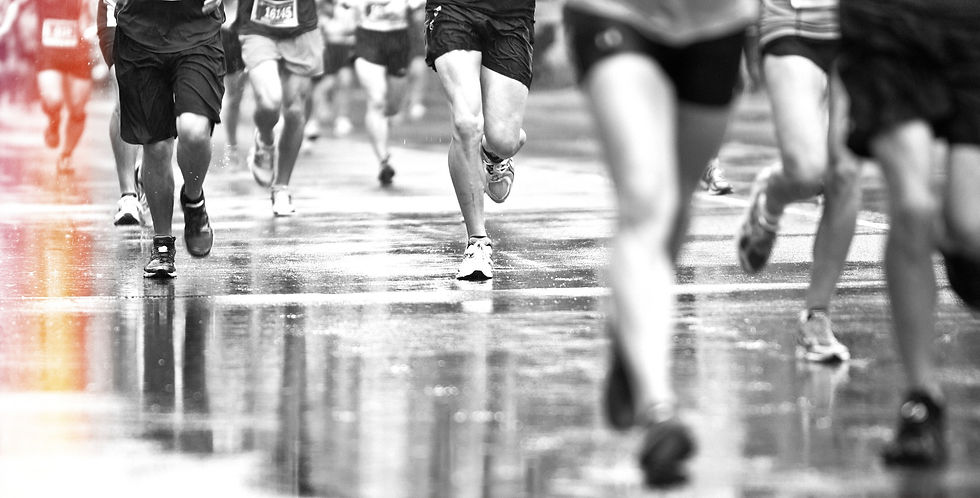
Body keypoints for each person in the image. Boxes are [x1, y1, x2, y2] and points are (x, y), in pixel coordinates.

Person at [563, 0, 756, 486]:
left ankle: (630, 336)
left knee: (675, 203)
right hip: (616, 12)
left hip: (716, 21)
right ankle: (658, 409)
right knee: (646, 199)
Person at [837, 0, 980, 467]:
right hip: (885, 20)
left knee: (968, 222)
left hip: (969, 22)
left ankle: (960, 246)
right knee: (913, 206)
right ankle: (922, 399)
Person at [736, 0, 858, 363]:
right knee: (807, 170)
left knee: (844, 173)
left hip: (861, 27)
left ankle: (816, 315)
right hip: (793, 21)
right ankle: (770, 199)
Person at [424, 0, 534, 280]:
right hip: (453, 7)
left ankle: (494, 153)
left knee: (504, 140)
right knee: (466, 123)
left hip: (511, 12)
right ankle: (478, 243)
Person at [115, 0, 224, 278]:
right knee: (157, 144)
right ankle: (162, 244)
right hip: (140, 34)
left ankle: (194, 199)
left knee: (194, 130)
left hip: (197, 30)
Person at [240, 0, 323, 216]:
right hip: (258, 25)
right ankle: (265, 141)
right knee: (270, 101)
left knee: (295, 111)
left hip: (301, 26)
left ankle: (281, 187)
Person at [351, 0, 422, 186]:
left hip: (398, 40)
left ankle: (384, 134)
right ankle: (384, 160)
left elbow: (419, 12)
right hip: (368, 38)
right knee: (377, 100)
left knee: (393, 107)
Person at [28, 0, 95, 174]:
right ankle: (54, 121)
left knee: (78, 109)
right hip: (49, 53)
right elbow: (18, 6)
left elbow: (91, 16)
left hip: (78, 54)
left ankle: (66, 155)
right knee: (53, 100)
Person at [97, 0, 145, 226]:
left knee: (161, 97)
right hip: (117, 14)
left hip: (163, 15)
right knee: (125, 92)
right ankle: (128, 196)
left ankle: (147, 169)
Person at [308, 0, 357, 139]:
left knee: (346, 80)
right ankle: (313, 120)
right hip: (328, 45)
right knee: (327, 82)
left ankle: (342, 117)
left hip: (346, 45)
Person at [219, 0, 247, 170]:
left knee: (235, 98)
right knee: (228, 98)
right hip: (219, 33)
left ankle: (232, 147)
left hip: (243, 35)